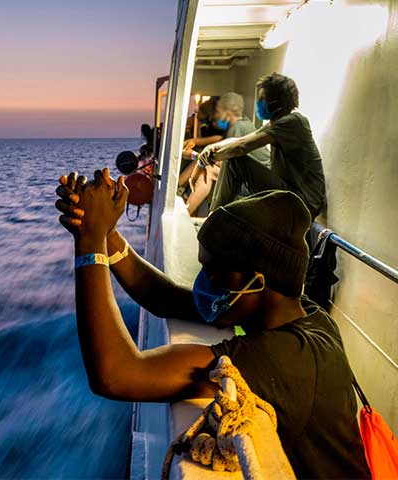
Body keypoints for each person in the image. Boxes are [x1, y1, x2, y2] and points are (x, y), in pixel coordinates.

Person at [55, 169, 369, 479]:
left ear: (255, 281)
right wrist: (103, 230)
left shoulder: (286, 357)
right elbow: (165, 298)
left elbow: (117, 374)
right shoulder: (296, 311)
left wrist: (89, 243)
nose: (203, 281)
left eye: (212, 271)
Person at [193, 73, 326, 218]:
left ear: (277, 102)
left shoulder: (293, 121)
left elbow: (241, 146)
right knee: (232, 163)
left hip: (302, 203)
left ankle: (214, 218)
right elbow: (239, 140)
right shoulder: (275, 123)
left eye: (263, 99)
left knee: (236, 162)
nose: (258, 102)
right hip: (290, 195)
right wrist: (210, 149)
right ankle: (217, 216)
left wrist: (208, 159)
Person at [185, 93, 270, 216]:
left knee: (208, 170)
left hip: (257, 183)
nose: (215, 115)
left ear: (227, 112)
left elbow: (223, 161)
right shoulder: (243, 124)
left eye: (218, 111)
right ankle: (192, 208)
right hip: (254, 176)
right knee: (207, 167)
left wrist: (193, 156)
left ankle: (189, 212)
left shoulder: (237, 128)